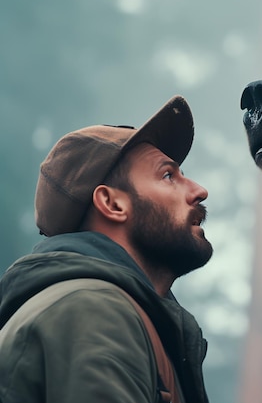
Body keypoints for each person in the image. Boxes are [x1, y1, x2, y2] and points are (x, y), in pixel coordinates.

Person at [0, 95, 212, 403]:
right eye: (168, 175)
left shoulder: (99, 307)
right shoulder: (93, 310)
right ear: (112, 203)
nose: (198, 191)